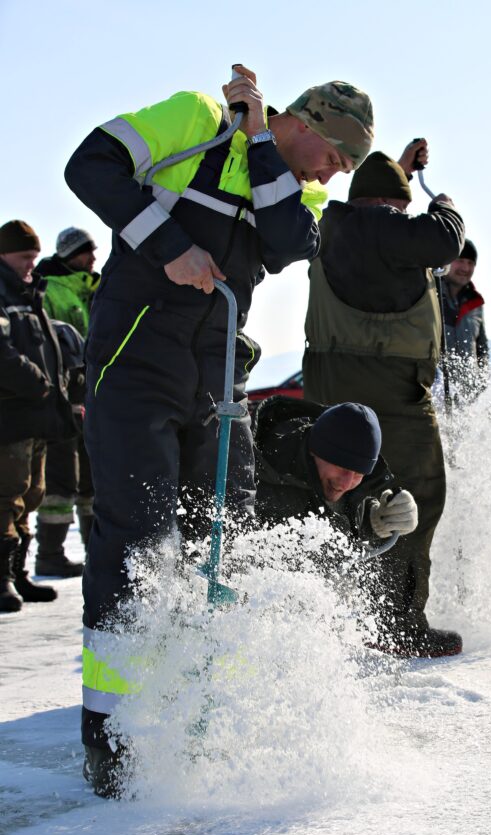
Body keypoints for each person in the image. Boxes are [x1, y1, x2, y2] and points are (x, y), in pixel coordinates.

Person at [64, 66, 374, 796]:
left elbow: (288, 244)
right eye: (334, 155)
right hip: (135, 358)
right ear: (308, 122)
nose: (331, 174)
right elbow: (90, 165)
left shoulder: (289, 178)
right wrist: (168, 243)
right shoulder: (198, 119)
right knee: (137, 538)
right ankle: (113, 736)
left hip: (217, 371)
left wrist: (262, 141)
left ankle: (206, 712)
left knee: (221, 537)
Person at [302, 141, 465, 658]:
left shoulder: (333, 227)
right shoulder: (382, 227)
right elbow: (444, 240)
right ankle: (399, 623)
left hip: (327, 385)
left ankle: (322, 615)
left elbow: (376, 209)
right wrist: (445, 205)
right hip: (391, 390)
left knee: (336, 496)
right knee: (413, 498)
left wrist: (399, 170)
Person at [0, 220, 77, 613]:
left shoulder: (27, 293)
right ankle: (1, 580)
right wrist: (37, 381)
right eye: (24, 257)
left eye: (34, 256)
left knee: (30, 494)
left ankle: (18, 574)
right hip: (10, 415)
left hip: (34, 414)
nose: (31, 264)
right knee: (5, 496)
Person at [255, 395, 418, 546]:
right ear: (314, 450)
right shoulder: (260, 483)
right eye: (342, 467)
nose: (346, 484)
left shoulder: (325, 477)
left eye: (359, 473)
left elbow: (337, 511)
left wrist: (376, 519)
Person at [35, 228, 99, 576]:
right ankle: (50, 553)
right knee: (61, 477)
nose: (93, 258)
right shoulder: (48, 288)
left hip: (95, 395)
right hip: (62, 395)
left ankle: (96, 551)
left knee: (94, 477)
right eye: (86, 251)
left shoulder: (97, 288)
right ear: (70, 254)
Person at [439, 238, 489, 402]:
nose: (465, 268)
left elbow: (482, 347)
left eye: (470, 263)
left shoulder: (475, 302)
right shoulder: (430, 294)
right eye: (460, 261)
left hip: (467, 397)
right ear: (447, 261)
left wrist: (481, 380)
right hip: (435, 391)